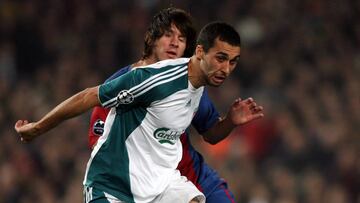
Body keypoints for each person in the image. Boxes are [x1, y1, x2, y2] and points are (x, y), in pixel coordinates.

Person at [15, 21, 264, 203]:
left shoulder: (198, 86)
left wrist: (230, 121)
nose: (226, 68)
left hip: (161, 183)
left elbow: (209, 133)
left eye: (232, 62)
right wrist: (37, 128)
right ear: (200, 52)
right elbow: (89, 96)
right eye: (221, 58)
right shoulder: (152, 80)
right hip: (113, 188)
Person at [88, 8, 264, 203]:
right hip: (142, 187)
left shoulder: (190, 83)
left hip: (192, 177)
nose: (174, 43)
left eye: (181, 39)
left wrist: (230, 121)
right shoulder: (121, 84)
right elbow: (100, 145)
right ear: (151, 38)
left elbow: (211, 133)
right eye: (168, 35)